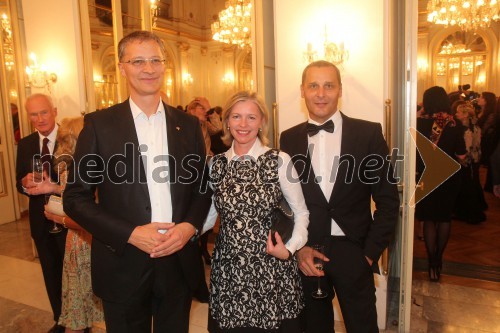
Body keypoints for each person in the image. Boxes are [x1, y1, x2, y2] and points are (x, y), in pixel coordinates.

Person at [63, 31, 212, 333]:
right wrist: (130, 234)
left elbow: (201, 187)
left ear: (164, 65)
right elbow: (75, 199)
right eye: (138, 61)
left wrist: (189, 227)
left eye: (155, 60)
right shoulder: (99, 125)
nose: (148, 68)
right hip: (123, 263)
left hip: (178, 260)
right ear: (122, 68)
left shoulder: (189, 126)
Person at [280, 60, 400, 333]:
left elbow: (389, 201)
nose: (321, 93)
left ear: (340, 90)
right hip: (307, 253)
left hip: (353, 251)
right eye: (313, 86)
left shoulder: (368, 133)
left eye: (328, 86)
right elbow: (285, 204)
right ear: (302, 91)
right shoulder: (288, 139)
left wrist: (368, 255)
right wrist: (297, 248)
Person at [205, 91, 309, 332]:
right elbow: (210, 216)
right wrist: (180, 234)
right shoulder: (215, 165)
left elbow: (301, 212)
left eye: (251, 118)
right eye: (236, 117)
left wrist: (290, 249)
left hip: (271, 269)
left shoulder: (279, 160)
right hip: (229, 271)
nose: (243, 125)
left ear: (262, 121)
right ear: (227, 121)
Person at [42, 117, 104, 333]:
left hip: (82, 243)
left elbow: (86, 216)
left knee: (78, 310)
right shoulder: (86, 168)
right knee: (81, 309)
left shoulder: (76, 168)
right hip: (83, 243)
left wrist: (58, 218)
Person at [15, 93, 68, 333]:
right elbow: (19, 182)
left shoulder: (71, 139)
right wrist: (25, 183)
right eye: (33, 114)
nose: (39, 118)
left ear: (54, 111)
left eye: (43, 112)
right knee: (50, 272)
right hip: (40, 220)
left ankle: (80, 321)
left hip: (69, 220)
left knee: (72, 275)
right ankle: (60, 319)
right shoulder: (25, 144)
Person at [416, 86, 466, 282]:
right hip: (449, 177)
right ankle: (438, 260)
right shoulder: (454, 124)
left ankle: (430, 263)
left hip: (427, 176)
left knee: (428, 219)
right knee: (444, 219)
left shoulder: (420, 123)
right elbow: (461, 155)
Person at [452, 101, 487, 224]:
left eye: (459, 112)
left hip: (466, 163)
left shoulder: (465, 130)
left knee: (465, 188)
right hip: (474, 162)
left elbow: (465, 151)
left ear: (466, 115)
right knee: (471, 186)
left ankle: (465, 213)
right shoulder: (476, 127)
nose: (456, 114)